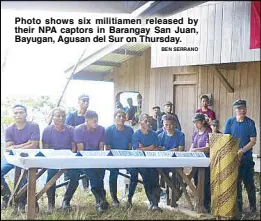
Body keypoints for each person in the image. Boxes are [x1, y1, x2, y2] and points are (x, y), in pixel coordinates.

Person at [1, 104, 40, 212]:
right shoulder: (9, 129)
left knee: (25, 178)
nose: (18, 115)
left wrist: (15, 147)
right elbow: (8, 148)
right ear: (13, 115)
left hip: (30, 157)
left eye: (21, 112)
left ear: (26, 114)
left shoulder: (34, 126)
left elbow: (34, 145)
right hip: (13, 157)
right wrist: (24, 144)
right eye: (16, 113)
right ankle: (7, 196)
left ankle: (22, 202)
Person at [41, 107, 79, 212]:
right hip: (53, 159)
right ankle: (51, 203)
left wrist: (69, 157)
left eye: (63, 116)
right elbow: (45, 148)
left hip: (68, 158)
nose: (61, 118)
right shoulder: (48, 130)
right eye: (58, 116)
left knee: (75, 177)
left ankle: (66, 201)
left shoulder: (71, 129)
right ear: (53, 117)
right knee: (50, 178)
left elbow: (74, 147)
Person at [224, 99, 257, 214]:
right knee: (236, 185)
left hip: (246, 159)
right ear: (235, 110)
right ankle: (239, 210)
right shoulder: (230, 122)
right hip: (233, 159)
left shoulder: (250, 123)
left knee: (249, 185)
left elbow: (253, 141)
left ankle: (253, 209)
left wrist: (242, 150)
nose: (242, 110)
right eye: (239, 108)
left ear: (246, 108)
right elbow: (226, 139)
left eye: (243, 108)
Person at [74, 110, 109, 213]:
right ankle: (101, 200)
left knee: (100, 176)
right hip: (84, 159)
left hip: (97, 157)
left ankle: (101, 201)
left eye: (97, 120)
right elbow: (81, 151)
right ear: (86, 120)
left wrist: (98, 160)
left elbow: (101, 148)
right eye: (93, 121)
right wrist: (92, 161)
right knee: (93, 177)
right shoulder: (79, 129)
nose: (96, 123)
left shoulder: (101, 129)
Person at [131, 113, 162, 211]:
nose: (148, 123)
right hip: (141, 162)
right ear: (140, 122)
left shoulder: (154, 134)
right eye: (146, 121)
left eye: (149, 121)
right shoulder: (136, 134)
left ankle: (155, 203)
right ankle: (152, 202)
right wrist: (150, 147)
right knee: (147, 179)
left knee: (155, 179)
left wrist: (143, 148)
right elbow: (137, 150)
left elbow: (157, 148)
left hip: (153, 162)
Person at [105, 109, 134, 208]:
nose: (121, 118)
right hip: (114, 158)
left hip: (126, 157)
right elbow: (107, 147)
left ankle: (129, 198)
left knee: (134, 172)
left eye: (123, 116)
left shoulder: (129, 130)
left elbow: (130, 146)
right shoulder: (109, 130)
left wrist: (127, 157)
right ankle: (114, 199)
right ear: (114, 118)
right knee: (113, 173)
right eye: (119, 116)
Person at [65, 94, 90, 190]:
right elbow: (67, 129)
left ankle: (86, 189)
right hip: (73, 145)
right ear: (78, 102)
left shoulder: (89, 115)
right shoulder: (72, 115)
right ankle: (67, 189)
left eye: (87, 101)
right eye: (83, 100)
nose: (86, 103)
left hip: (86, 146)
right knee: (69, 169)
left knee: (86, 169)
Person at [189, 113, 211, 213]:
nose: (196, 124)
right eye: (194, 122)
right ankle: (199, 202)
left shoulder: (208, 132)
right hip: (195, 161)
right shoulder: (195, 133)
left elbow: (207, 148)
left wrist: (196, 150)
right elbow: (191, 147)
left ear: (203, 122)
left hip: (205, 162)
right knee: (197, 182)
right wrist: (189, 153)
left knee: (205, 183)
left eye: (197, 122)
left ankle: (206, 204)